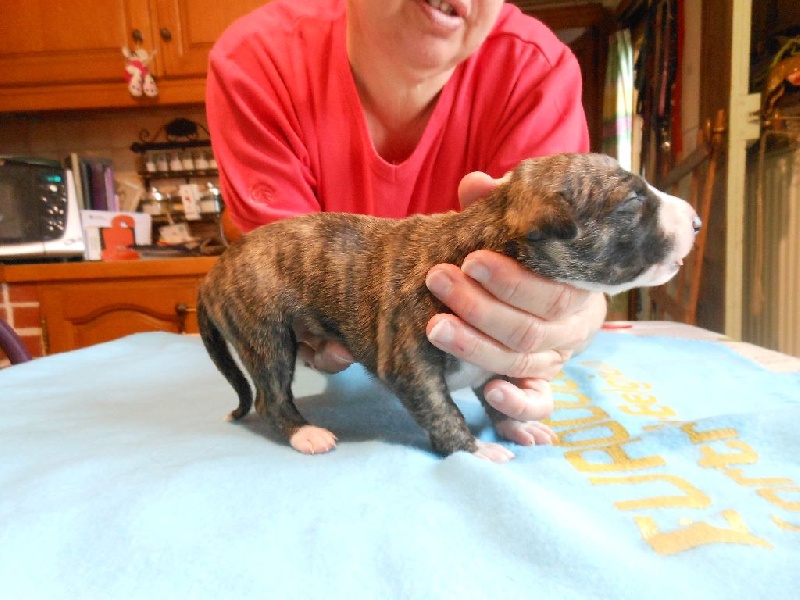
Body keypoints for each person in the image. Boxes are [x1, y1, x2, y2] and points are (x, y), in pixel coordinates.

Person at [206, 0, 608, 445]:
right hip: (348, 352)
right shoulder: (259, 59)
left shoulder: (535, 69)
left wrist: (572, 310)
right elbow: (287, 280)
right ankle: (277, 412)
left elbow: (554, 275)